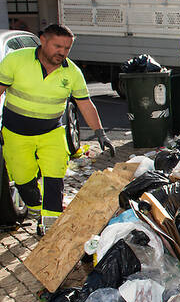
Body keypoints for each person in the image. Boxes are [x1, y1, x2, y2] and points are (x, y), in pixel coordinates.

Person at [0, 24, 115, 235]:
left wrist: (100, 133)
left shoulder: (72, 72)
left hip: (51, 132)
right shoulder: (16, 60)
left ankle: (50, 227)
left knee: (54, 177)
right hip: (16, 133)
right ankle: (37, 209)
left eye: (67, 48)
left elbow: (85, 104)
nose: (62, 52)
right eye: (57, 46)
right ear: (43, 40)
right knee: (23, 178)